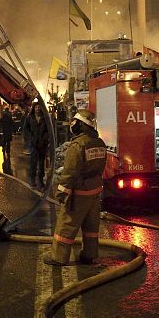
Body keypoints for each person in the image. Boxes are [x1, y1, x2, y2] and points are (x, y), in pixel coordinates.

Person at [45, 109, 107, 266]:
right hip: (94, 191)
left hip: (79, 193)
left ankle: (58, 257)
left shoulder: (78, 145)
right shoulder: (100, 143)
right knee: (91, 227)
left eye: (75, 122)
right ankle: (89, 255)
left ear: (82, 125)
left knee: (66, 225)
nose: (72, 125)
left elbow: (70, 172)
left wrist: (61, 193)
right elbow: (100, 168)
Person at [25, 101, 49, 188]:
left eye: (39, 107)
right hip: (33, 144)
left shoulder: (45, 118)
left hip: (42, 144)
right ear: (34, 108)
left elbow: (48, 130)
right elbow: (26, 130)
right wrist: (30, 139)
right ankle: (32, 180)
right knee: (33, 162)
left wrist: (45, 139)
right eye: (36, 107)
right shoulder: (29, 118)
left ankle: (40, 181)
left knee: (41, 163)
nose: (38, 109)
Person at [0, 105, 14, 174]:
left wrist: (0, 130)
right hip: (8, 132)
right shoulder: (10, 116)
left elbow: (0, 123)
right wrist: (12, 131)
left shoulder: (3, 116)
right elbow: (12, 124)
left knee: (4, 142)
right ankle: (8, 151)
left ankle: (3, 150)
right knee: (8, 142)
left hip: (4, 132)